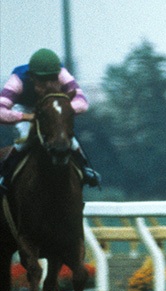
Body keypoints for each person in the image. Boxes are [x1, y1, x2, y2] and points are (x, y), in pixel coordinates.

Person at [0, 48, 101, 192]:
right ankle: (5, 175)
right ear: (31, 77)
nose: (48, 84)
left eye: (52, 78)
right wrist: (26, 117)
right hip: (26, 110)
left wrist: (59, 113)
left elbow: (82, 102)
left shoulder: (63, 74)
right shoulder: (17, 81)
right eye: (43, 79)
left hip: (52, 108)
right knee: (24, 142)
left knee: (70, 141)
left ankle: (86, 170)